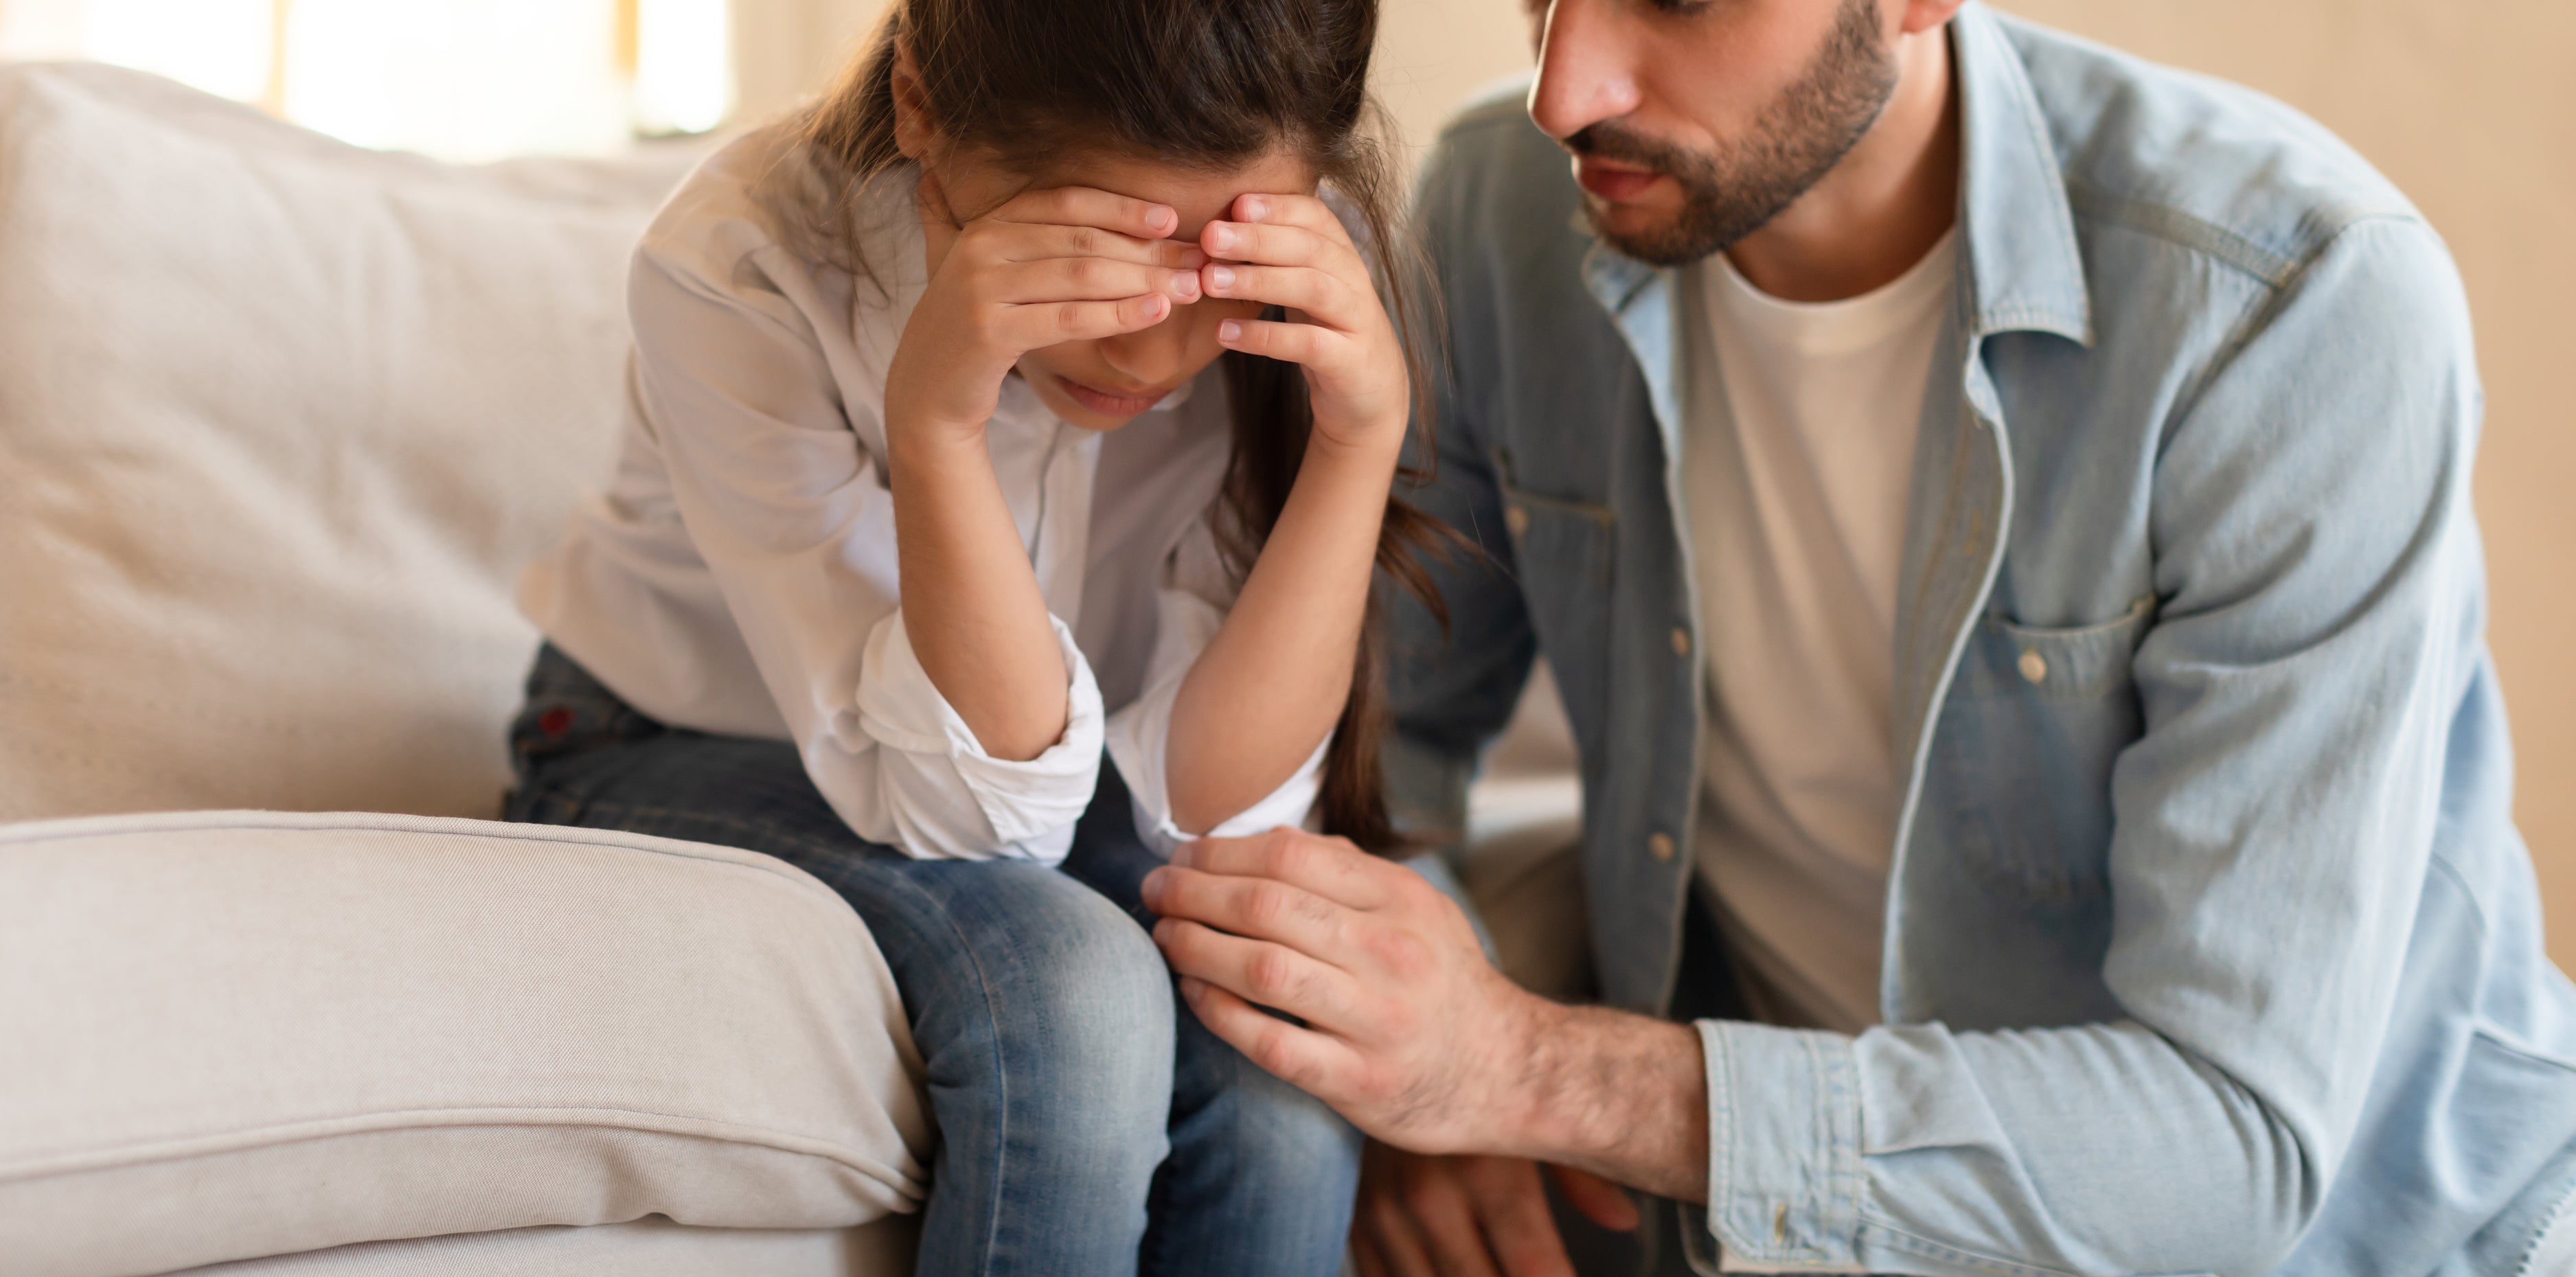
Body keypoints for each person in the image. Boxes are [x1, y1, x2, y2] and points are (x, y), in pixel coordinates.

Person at [1139, 0, 2576, 1273]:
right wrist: (1389, 1055)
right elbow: (1366, 769)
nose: (1565, 85)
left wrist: (1518, 1071)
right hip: (1765, 1228)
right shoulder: (1508, 219)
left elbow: (2230, 1146)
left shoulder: (2287, 310)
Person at [500, 0, 1445, 1272]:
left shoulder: (1294, 288)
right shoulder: (743, 262)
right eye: (1085, 256)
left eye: (1205, 271)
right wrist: (938, 420)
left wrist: (1356, 443)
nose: (1151, 345)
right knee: (1076, 994)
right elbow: (975, 818)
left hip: (1048, 768)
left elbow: (1217, 819)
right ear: (918, 107)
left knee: (1272, 1020)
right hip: (672, 740)